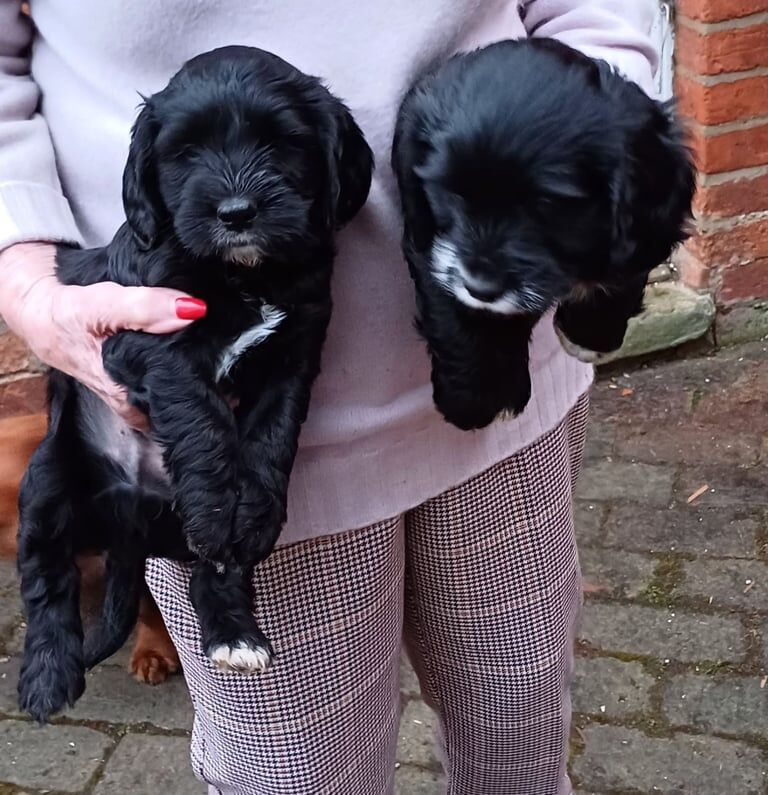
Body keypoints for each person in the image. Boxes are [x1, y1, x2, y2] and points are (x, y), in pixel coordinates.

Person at [0, 2, 660, 793]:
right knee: (297, 777)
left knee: (520, 742)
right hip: (215, 431)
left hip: (502, 363)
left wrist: (598, 143)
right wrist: (28, 281)